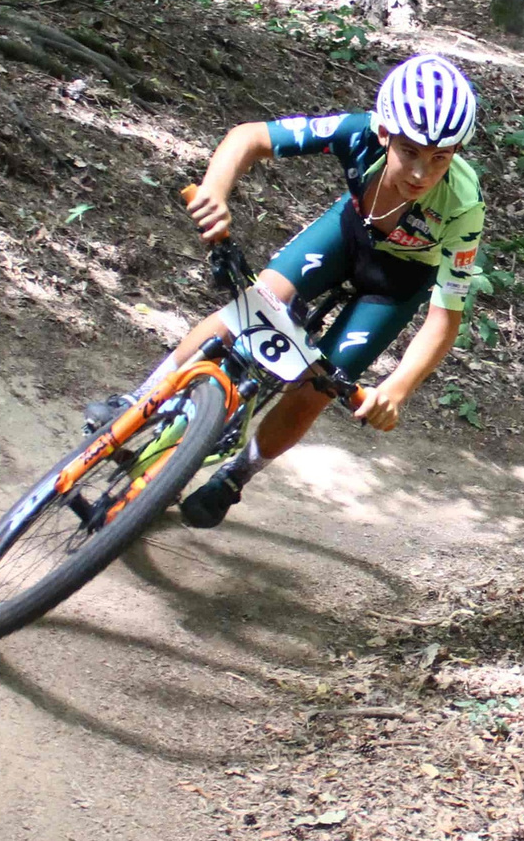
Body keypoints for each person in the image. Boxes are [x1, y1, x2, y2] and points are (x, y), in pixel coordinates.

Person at [110, 52, 486, 528]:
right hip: (348, 235)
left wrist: (397, 388)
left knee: (319, 387)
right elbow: (249, 137)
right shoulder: (358, 132)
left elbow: (444, 316)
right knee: (254, 305)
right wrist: (215, 191)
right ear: (386, 132)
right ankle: (138, 401)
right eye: (410, 151)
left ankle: (235, 475)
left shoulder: (463, 203)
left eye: (439, 158)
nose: (420, 173)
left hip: (396, 284)